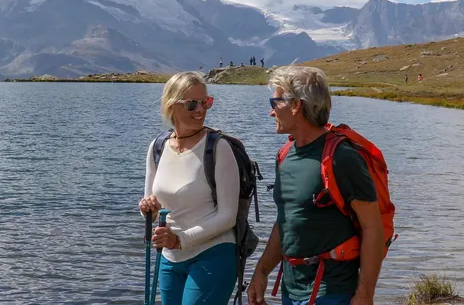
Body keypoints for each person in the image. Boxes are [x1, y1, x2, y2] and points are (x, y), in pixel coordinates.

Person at [248, 66, 384, 305]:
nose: (271, 112)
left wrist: (364, 294)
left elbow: (373, 228)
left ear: (295, 105)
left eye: (275, 103)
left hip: (333, 291)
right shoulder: (285, 155)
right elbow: (286, 221)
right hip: (291, 288)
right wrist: (261, 271)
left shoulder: (342, 158)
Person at [139, 71, 240, 305]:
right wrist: (148, 209)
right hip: (170, 257)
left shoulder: (219, 148)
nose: (201, 110)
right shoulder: (157, 146)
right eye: (192, 104)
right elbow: (151, 210)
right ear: (172, 106)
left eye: (206, 102)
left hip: (213, 254)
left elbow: (228, 217)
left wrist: (180, 239)